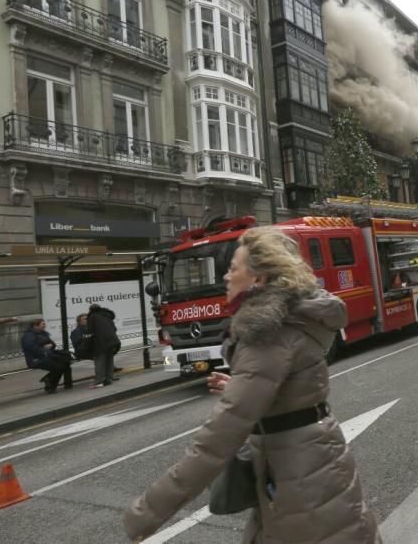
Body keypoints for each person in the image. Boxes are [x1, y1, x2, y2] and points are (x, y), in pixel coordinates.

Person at [124, 226, 380, 542]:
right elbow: (292, 387)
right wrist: (242, 385)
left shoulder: (265, 334)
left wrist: (146, 512)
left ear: (258, 279)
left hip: (298, 476)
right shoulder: (291, 321)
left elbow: (216, 440)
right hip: (312, 459)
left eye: (233, 269)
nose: (226, 278)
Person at [20, 319, 71, 394]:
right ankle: (49, 383)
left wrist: (51, 345)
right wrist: (44, 351)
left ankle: (49, 383)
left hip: (48, 355)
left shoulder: (43, 333)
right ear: (35, 326)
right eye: (43, 324)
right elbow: (30, 347)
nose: (45, 326)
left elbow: (52, 344)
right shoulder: (29, 335)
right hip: (36, 359)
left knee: (65, 363)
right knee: (59, 366)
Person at [87, 304, 120, 388]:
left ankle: (99, 382)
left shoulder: (92, 316)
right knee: (109, 360)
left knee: (99, 361)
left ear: (91, 310)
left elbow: (90, 331)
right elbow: (114, 328)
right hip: (112, 341)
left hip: (100, 342)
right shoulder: (106, 315)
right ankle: (109, 379)